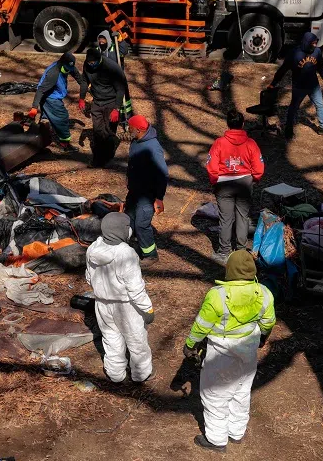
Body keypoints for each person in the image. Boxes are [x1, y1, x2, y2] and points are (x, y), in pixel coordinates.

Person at [183, 250, 276, 453]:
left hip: (220, 354)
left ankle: (216, 439)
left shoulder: (217, 295)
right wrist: (263, 338)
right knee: (241, 391)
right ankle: (236, 432)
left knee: (215, 395)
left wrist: (190, 345)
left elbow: (202, 325)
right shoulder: (264, 293)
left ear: (230, 270)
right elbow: (268, 322)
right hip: (248, 351)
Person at [85, 212, 155, 383]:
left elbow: (89, 277)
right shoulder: (127, 253)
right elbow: (135, 288)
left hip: (102, 304)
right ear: (123, 231)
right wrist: (148, 309)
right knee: (136, 341)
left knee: (110, 339)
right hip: (126, 307)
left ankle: (115, 374)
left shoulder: (93, 248)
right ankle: (141, 374)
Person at [206, 110, 265, 265]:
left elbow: (211, 164)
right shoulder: (250, 143)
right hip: (244, 183)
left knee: (225, 219)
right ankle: (241, 250)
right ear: (243, 124)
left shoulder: (219, 143)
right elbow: (259, 165)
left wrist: (215, 180)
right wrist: (254, 178)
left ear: (228, 123)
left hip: (223, 184)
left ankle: (224, 252)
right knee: (242, 217)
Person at [268, 32, 323, 139]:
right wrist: (273, 83)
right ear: (306, 43)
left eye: (315, 43)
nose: (315, 45)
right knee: (293, 108)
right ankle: (288, 129)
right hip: (299, 87)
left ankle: (322, 128)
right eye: (313, 43)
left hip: (314, 86)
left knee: (320, 105)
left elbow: (320, 66)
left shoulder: (317, 51)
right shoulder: (294, 53)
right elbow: (283, 70)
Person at [125, 115, 168, 265]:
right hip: (135, 191)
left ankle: (150, 255)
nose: (128, 129)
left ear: (138, 130)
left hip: (147, 194)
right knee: (128, 218)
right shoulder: (136, 141)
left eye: (130, 127)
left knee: (142, 224)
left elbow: (162, 174)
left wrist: (159, 197)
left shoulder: (152, 148)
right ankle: (132, 246)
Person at [78, 47, 128, 167]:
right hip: (97, 102)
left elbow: (121, 89)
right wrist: (81, 98)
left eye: (93, 62)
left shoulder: (111, 68)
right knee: (98, 131)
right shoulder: (87, 65)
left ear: (99, 59)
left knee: (109, 131)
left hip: (111, 102)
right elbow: (84, 81)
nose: (92, 65)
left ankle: (108, 156)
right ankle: (98, 160)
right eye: (89, 63)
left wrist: (116, 108)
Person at [29, 52, 83, 151]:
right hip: (50, 98)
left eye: (69, 68)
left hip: (53, 96)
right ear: (61, 63)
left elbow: (76, 74)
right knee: (62, 118)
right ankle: (65, 144)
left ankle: (39, 138)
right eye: (66, 68)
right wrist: (34, 107)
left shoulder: (67, 66)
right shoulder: (53, 73)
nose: (68, 70)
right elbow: (41, 90)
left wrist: (84, 85)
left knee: (47, 119)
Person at [95, 30, 134, 119]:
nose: (101, 42)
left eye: (103, 39)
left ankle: (126, 118)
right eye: (99, 40)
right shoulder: (98, 51)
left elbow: (124, 51)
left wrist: (121, 41)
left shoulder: (115, 48)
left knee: (123, 99)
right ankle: (113, 116)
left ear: (107, 39)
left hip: (118, 78)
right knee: (111, 100)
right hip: (105, 81)